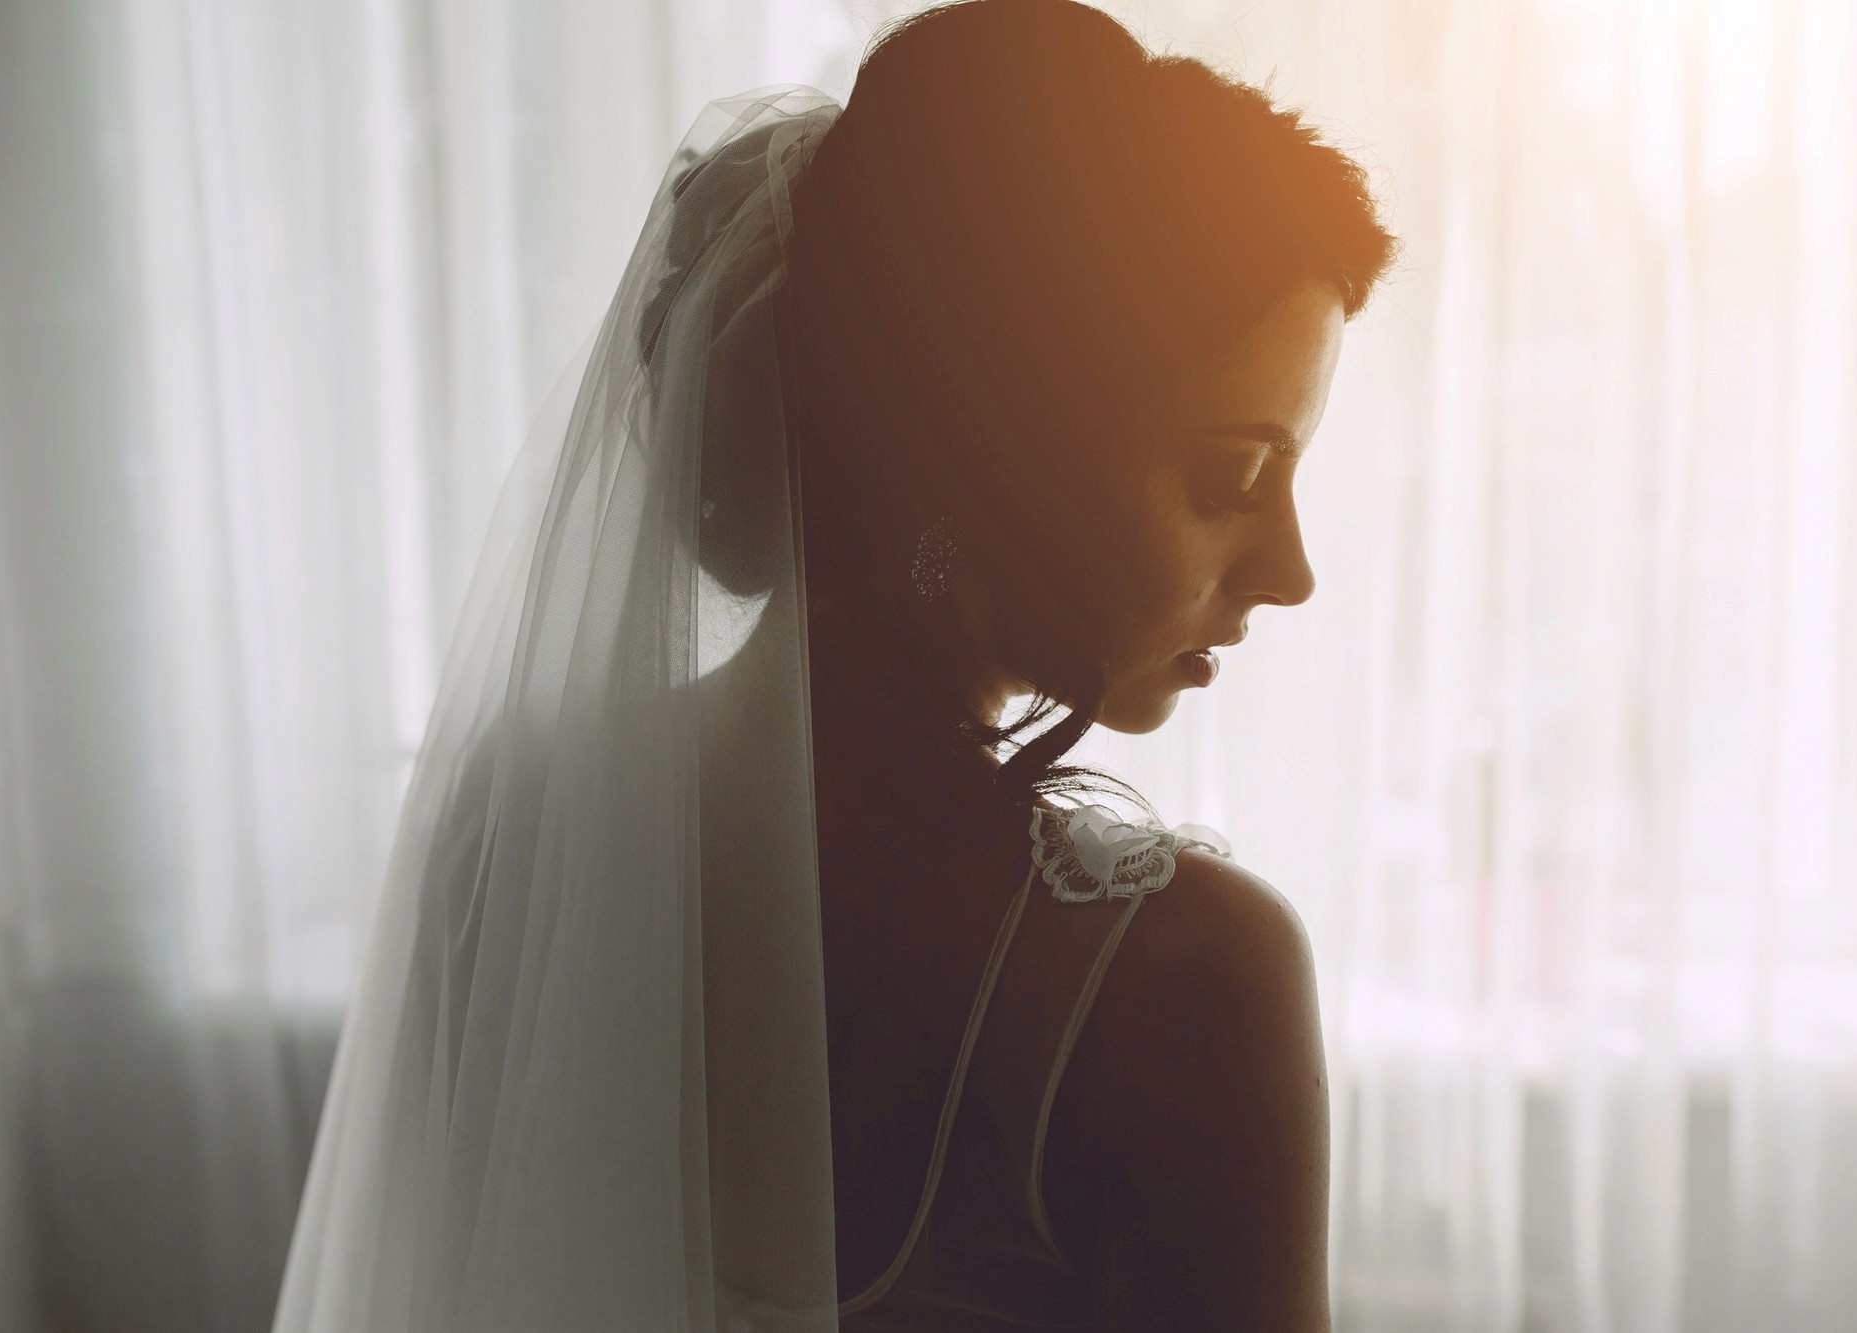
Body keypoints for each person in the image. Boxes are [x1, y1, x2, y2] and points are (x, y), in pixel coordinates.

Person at [273, 2, 1395, 1330]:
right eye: (1234, 476)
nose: (1290, 568)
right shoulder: (1184, 985)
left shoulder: (514, 833)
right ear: (999, 456)